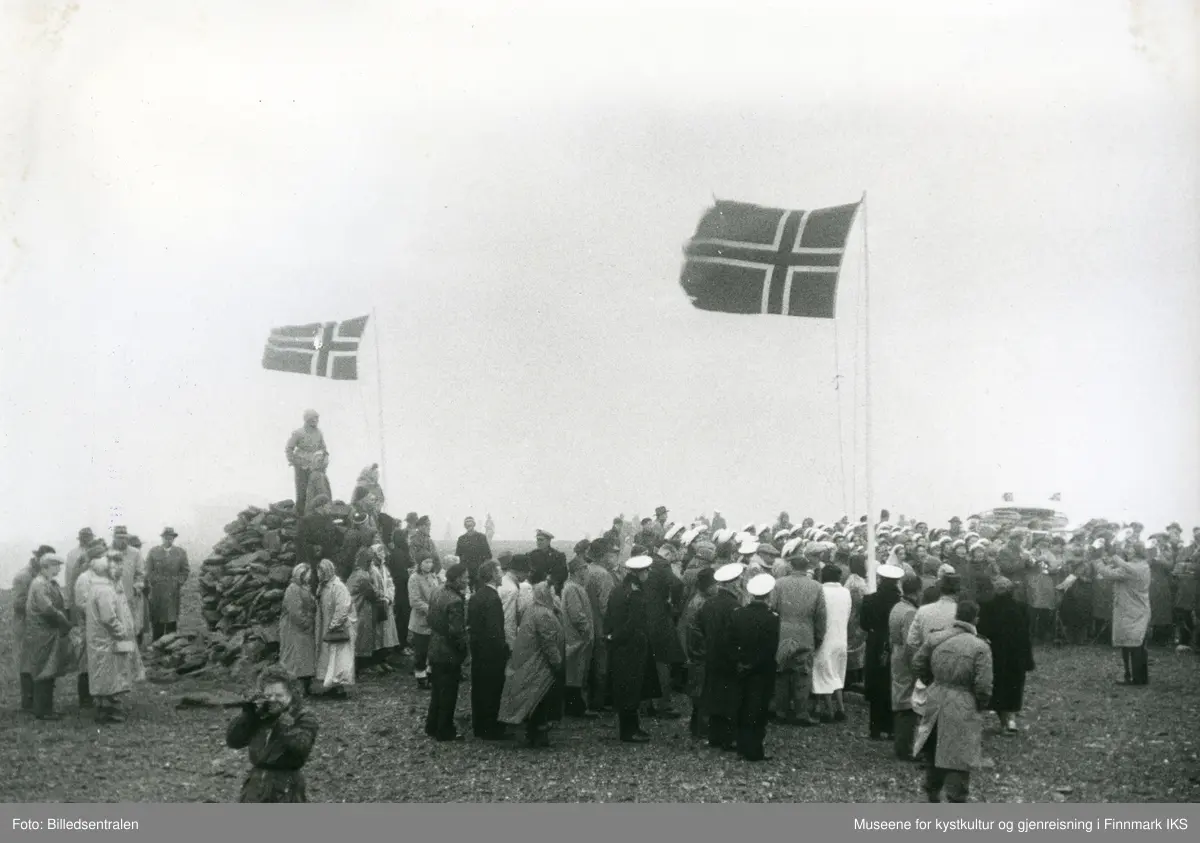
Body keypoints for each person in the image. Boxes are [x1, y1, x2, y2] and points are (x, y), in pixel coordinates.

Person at [912, 599, 994, 803]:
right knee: (960, 753)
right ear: (976, 618)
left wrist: (932, 681)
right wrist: (981, 703)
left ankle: (931, 792)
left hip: (937, 695)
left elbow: (917, 663)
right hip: (964, 699)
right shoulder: (980, 647)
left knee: (934, 745)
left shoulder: (936, 638)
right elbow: (983, 685)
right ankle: (956, 798)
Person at [226, 666, 319, 802]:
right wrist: (249, 715)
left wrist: (282, 720)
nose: (273, 700)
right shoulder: (261, 715)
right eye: (268, 696)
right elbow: (233, 741)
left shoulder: (303, 716)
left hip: (287, 786)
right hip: (255, 785)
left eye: (279, 695)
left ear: (291, 694)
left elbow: (301, 747)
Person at [499, 580, 566, 747]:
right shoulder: (544, 613)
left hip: (532, 660)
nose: (555, 596)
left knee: (534, 697)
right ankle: (538, 735)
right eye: (552, 593)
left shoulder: (534, 609)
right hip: (540, 664)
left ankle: (533, 732)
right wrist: (558, 663)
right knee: (540, 698)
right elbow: (548, 642)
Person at [86, 551, 147, 724]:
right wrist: (121, 632)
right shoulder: (105, 590)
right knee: (109, 675)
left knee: (104, 674)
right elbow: (108, 618)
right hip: (107, 639)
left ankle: (105, 708)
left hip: (100, 639)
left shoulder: (97, 587)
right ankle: (107, 711)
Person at [770, 550, 826, 727]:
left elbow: (773, 608)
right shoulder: (816, 586)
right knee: (803, 674)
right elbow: (821, 615)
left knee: (782, 672)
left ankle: (781, 711)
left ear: (791, 566)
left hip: (783, 632)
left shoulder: (779, 584)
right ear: (807, 567)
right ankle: (802, 713)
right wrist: (819, 635)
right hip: (805, 632)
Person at [605, 555, 657, 743]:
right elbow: (633, 623)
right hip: (632, 645)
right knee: (632, 688)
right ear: (638, 572)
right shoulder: (635, 593)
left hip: (619, 646)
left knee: (624, 686)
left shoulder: (618, 589)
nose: (648, 573)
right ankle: (629, 731)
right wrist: (619, 636)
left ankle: (632, 728)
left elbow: (609, 615)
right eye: (646, 570)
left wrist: (610, 636)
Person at [732, 573, 781, 762]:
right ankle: (755, 749)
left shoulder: (738, 614)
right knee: (759, 709)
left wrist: (740, 662)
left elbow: (730, 641)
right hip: (762, 670)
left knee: (743, 706)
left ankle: (742, 746)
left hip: (742, 667)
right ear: (768, 595)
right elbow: (770, 648)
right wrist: (753, 664)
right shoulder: (772, 618)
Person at [976, 576, 1034, 734]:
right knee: (1015, 687)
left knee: (999, 688)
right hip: (1017, 655)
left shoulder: (987, 608)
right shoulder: (1022, 607)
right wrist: (1028, 658)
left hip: (996, 655)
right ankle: (1011, 720)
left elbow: (982, 633)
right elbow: (1026, 634)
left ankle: (1004, 722)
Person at [697, 562, 745, 750]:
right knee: (731, 697)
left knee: (713, 694)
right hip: (730, 657)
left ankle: (714, 735)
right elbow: (738, 634)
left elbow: (700, 626)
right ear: (733, 583)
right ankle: (729, 737)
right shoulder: (735, 606)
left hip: (711, 654)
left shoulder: (709, 604)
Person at [24, 553, 73, 720]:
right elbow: (48, 609)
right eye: (56, 565)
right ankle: (42, 710)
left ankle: (47, 708)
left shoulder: (48, 583)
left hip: (49, 633)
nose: (59, 568)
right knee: (44, 670)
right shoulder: (39, 584)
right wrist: (65, 622)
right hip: (42, 633)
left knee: (49, 669)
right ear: (46, 566)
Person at [1095, 542, 1151, 686]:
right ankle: (1139, 677)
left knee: (1131, 645)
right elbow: (1117, 569)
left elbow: (1108, 573)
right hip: (1137, 609)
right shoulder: (1142, 565)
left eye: (1131, 549)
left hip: (1130, 610)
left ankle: (1133, 677)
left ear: (1137, 552)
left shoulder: (1133, 568)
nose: (1128, 552)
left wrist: (1098, 561)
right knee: (1136, 644)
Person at [425, 562, 469, 742]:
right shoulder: (455, 601)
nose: (468, 580)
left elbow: (429, 617)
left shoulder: (437, 591)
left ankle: (432, 725)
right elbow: (456, 631)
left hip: (435, 646)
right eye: (465, 577)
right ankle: (445, 730)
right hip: (448, 652)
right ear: (458, 579)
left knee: (437, 690)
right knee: (449, 692)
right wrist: (463, 650)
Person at [468, 560, 510, 740]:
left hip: (479, 650)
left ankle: (480, 726)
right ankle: (491, 729)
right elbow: (495, 631)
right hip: (492, 653)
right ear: (492, 574)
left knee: (479, 688)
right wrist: (503, 650)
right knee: (492, 689)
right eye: (499, 571)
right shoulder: (493, 598)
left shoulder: (477, 595)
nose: (501, 575)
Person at [862, 563, 904, 741]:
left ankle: (875, 728)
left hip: (875, 642)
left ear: (880, 579)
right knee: (891, 682)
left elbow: (863, 624)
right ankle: (892, 727)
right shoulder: (900, 602)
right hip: (893, 641)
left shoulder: (869, 599)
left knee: (875, 682)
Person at [644, 544, 686, 718]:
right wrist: (674, 603)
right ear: (668, 554)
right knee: (663, 661)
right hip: (660, 619)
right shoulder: (662, 564)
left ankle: (645, 705)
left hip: (643, 616)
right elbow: (677, 583)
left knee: (646, 661)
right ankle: (664, 705)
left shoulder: (646, 562)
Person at [13, 545, 53, 712]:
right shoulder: (24, 576)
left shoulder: (40, 575)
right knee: (26, 663)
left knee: (36, 660)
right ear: (38, 559)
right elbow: (18, 604)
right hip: (25, 625)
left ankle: (35, 700)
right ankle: (28, 701)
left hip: (36, 625)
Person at [889, 574, 924, 761]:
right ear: (917, 592)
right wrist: (916, 665)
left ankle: (902, 744)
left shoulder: (897, 607)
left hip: (896, 654)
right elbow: (911, 642)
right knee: (907, 702)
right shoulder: (910, 612)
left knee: (900, 697)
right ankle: (905, 747)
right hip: (905, 657)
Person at [72, 539, 108, 709]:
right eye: (102, 557)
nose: (105, 560)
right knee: (86, 661)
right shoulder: (84, 579)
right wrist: (99, 611)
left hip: (101, 626)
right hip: (89, 625)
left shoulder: (102, 577)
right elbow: (81, 603)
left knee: (99, 660)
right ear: (94, 560)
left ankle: (99, 693)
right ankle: (85, 698)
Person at [681, 567, 716, 738]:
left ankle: (697, 726)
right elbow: (697, 632)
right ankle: (703, 728)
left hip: (695, 653)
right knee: (702, 692)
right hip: (700, 654)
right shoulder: (702, 603)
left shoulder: (696, 600)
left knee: (698, 691)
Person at [313, 559, 355, 699]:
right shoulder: (323, 587)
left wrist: (333, 625)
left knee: (338, 658)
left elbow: (343, 608)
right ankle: (331, 686)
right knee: (328, 658)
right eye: (318, 571)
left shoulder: (338, 586)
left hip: (336, 628)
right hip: (326, 626)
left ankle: (339, 688)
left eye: (321, 571)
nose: (319, 574)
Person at [562, 557, 598, 717]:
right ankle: (576, 708)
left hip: (577, 638)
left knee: (575, 673)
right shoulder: (572, 589)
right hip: (576, 639)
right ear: (577, 571)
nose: (587, 572)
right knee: (575, 674)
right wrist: (587, 631)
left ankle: (576, 707)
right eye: (584, 569)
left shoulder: (574, 587)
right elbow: (577, 615)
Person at [584, 539, 617, 711]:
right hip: (601, 625)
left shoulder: (586, 570)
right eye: (611, 553)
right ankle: (599, 702)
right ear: (604, 556)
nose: (613, 557)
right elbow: (606, 605)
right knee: (601, 665)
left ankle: (590, 700)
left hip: (587, 623)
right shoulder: (604, 575)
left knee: (590, 664)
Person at [145, 527, 190, 642]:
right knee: (157, 618)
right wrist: (154, 581)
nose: (168, 540)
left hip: (173, 591)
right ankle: (157, 644)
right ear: (162, 538)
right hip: (157, 591)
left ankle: (171, 646)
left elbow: (185, 571)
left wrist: (178, 582)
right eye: (166, 538)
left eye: (171, 538)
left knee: (171, 618)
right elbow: (148, 570)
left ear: (173, 539)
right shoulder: (153, 552)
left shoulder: (180, 552)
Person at [279, 564, 317, 695]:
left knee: (305, 658)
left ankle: (305, 687)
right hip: (294, 629)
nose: (310, 576)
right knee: (295, 658)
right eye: (308, 574)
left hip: (304, 629)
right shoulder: (293, 589)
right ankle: (294, 688)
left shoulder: (304, 588)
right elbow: (295, 612)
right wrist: (306, 623)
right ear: (301, 574)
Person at [285, 409, 327, 516]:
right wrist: (294, 461)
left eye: (317, 418)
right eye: (313, 418)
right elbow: (289, 448)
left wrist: (324, 460)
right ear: (307, 419)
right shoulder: (298, 433)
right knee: (302, 492)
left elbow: (323, 448)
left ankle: (314, 516)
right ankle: (300, 516)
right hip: (301, 467)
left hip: (315, 466)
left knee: (316, 491)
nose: (316, 420)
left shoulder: (319, 433)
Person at [408, 555, 441, 689]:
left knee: (433, 650)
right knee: (421, 651)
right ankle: (421, 678)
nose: (429, 565)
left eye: (431, 562)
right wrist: (431, 609)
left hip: (433, 620)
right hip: (421, 620)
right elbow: (414, 600)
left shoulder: (433, 577)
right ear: (419, 563)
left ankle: (431, 674)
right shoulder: (414, 578)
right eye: (426, 562)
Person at [111, 527, 147, 647]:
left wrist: (137, 587)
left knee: (132, 625)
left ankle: (133, 653)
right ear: (114, 538)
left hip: (131, 597)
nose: (122, 541)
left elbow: (140, 573)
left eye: (124, 538)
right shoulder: (107, 552)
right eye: (119, 538)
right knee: (115, 625)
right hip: (111, 597)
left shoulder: (135, 553)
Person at [346, 549, 378, 674]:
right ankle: (362, 666)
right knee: (363, 637)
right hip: (361, 609)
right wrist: (378, 592)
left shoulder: (355, 573)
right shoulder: (363, 575)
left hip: (353, 608)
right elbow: (372, 594)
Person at [369, 543, 400, 666]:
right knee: (376, 633)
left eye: (383, 551)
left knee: (386, 633)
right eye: (379, 552)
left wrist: (389, 598)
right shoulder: (371, 570)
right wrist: (381, 598)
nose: (382, 554)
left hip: (387, 604)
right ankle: (375, 661)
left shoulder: (384, 568)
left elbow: (390, 584)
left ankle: (383, 659)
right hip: (376, 605)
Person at [456, 517, 492, 590]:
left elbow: (488, 555)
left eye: (471, 523)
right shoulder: (461, 539)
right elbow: (458, 556)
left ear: (474, 524)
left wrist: (484, 570)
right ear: (465, 526)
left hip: (479, 570)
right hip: (466, 571)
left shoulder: (481, 537)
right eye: (467, 523)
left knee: (480, 591)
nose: (469, 525)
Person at [64, 528, 94, 616]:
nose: (88, 540)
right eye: (85, 537)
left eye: (89, 537)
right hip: (78, 592)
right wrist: (69, 599)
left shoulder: (95, 552)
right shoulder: (73, 554)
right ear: (81, 539)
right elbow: (69, 578)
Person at [529, 529, 569, 596]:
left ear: (548, 541)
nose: (539, 542)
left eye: (541, 540)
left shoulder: (558, 556)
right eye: (537, 540)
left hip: (554, 592)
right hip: (536, 591)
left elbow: (564, 575)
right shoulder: (532, 555)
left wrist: (551, 579)